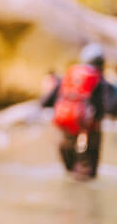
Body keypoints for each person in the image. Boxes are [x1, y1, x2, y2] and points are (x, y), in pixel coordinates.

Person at [42, 43, 116, 180]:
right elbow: (109, 107)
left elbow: (45, 102)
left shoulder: (69, 75)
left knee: (70, 172)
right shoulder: (100, 80)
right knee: (88, 174)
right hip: (90, 131)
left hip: (65, 128)